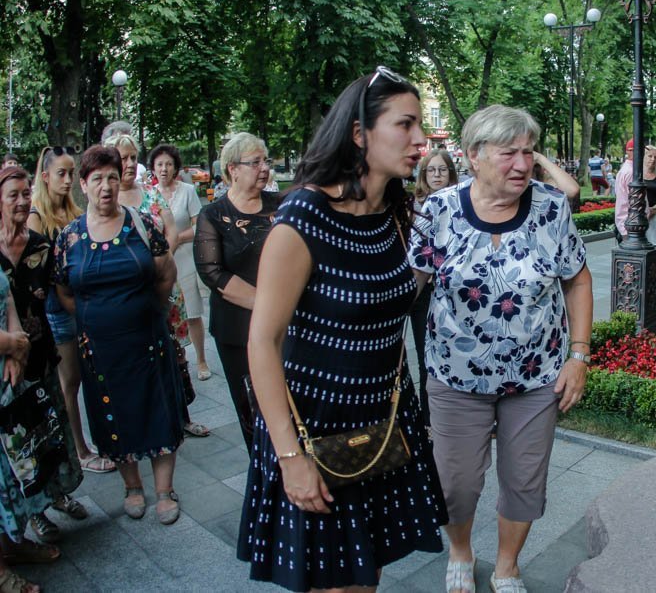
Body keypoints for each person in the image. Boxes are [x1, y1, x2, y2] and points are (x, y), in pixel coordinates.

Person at [239, 66, 447, 592]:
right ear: (360, 133)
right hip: (315, 430)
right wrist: (291, 458)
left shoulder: (395, 212)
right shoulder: (303, 218)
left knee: (366, 572)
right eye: (405, 124)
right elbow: (262, 342)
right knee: (332, 582)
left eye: (420, 125)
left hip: (382, 424)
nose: (420, 140)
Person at [411, 105, 592, 593]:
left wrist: (578, 355)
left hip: (536, 376)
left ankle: (507, 565)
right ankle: (460, 551)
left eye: (528, 152)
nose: (522, 164)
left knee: (525, 479)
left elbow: (577, 280)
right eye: (509, 153)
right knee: (455, 482)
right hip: (455, 375)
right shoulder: (439, 209)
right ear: (473, 156)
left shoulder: (550, 207)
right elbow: (411, 283)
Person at [54, 146, 185, 526]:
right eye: (97, 179)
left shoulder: (141, 224)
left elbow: (166, 273)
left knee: (157, 409)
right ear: (83, 185)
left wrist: (146, 309)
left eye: (112, 177)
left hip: (147, 340)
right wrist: (97, 317)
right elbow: (64, 292)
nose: (106, 186)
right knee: (113, 415)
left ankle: (164, 490)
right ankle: (132, 487)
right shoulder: (69, 238)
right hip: (99, 348)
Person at [0, 167, 85, 547]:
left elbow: (59, 294)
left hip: (41, 354)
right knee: (22, 441)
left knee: (51, 430)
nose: (22, 202)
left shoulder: (40, 247)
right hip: (6, 364)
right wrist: (11, 350)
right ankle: (35, 511)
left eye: (25, 194)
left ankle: (59, 493)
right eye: (13, 195)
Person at [112, 135, 209, 440]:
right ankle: (147, 422)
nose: (129, 164)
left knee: (174, 354)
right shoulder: (107, 199)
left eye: (133, 157)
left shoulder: (151, 194)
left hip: (163, 286)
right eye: (123, 158)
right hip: (129, 294)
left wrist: (157, 263)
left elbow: (172, 232)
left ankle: (182, 416)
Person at [28, 146, 116, 477]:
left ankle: (98, 440)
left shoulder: (74, 211)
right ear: (45, 176)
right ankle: (79, 450)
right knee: (70, 382)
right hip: (57, 310)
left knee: (88, 376)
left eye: (70, 173)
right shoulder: (37, 216)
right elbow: (37, 275)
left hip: (83, 306)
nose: (67, 180)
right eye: (61, 173)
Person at [194, 133, 279, 451]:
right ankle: (262, 467)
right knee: (252, 407)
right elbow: (212, 272)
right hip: (237, 329)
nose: (264, 168)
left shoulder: (282, 205)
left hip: (286, 326)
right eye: (255, 162)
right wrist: (270, 305)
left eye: (266, 161)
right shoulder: (213, 215)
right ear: (233, 169)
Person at [0, 265, 50, 593]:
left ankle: (10, 544)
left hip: (5, 368)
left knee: (9, 469)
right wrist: (11, 342)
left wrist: (17, 350)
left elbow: (6, 296)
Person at [150, 144, 210, 380]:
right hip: (161, 262)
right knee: (166, 314)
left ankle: (201, 360)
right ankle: (176, 361)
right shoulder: (149, 194)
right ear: (153, 168)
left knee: (192, 313)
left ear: (175, 167)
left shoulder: (187, 191)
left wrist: (175, 239)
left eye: (168, 164)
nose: (164, 169)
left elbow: (199, 225)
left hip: (185, 258)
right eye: (159, 164)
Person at [409, 149, 459, 427]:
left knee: (440, 354)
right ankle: (424, 421)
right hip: (416, 288)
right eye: (431, 170)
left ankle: (440, 417)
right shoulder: (413, 205)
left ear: (450, 173)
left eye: (442, 170)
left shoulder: (459, 203)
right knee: (422, 356)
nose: (437, 175)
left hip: (442, 289)